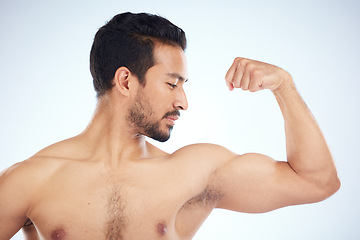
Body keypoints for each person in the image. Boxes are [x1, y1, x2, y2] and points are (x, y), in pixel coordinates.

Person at [0, 12, 340, 240]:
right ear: (125, 80)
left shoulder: (193, 172)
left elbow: (316, 182)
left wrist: (284, 85)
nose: (183, 101)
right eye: (172, 84)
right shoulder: (33, 179)